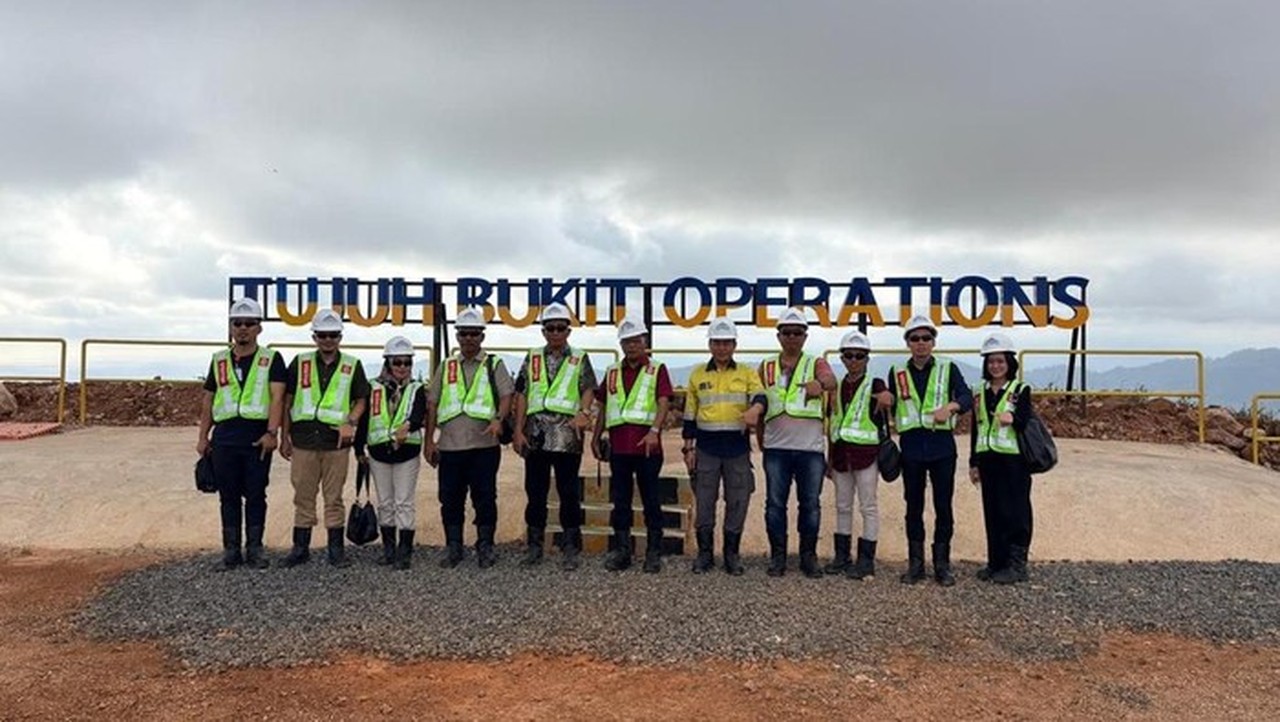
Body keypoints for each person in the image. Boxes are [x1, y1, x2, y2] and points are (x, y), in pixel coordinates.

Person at [877, 315, 973, 586]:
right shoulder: (896, 372)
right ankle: (916, 565)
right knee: (913, 506)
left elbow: (966, 397)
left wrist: (951, 407)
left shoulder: (947, 367)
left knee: (943, 506)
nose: (921, 343)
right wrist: (886, 400)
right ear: (907, 343)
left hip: (941, 446)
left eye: (926, 338)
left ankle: (942, 565)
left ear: (933, 342)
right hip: (911, 448)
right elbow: (892, 404)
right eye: (915, 338)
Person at [196, 297, 287, 571]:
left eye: (249, 323)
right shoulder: (219, 360)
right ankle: (231, 551)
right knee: (228, 495)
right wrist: (203, 437)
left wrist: (273, 433)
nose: (243, 328)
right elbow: (208, 400)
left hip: (256, 437)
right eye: (238, 323)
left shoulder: (271, 359)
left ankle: (255, 550)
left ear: (259, 328)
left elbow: (277, 397)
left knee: (256, 494)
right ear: (231, 327)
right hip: (225, 437)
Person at [279, 308, 370, 568]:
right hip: (304, 441)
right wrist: (285, 437)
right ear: (314, 337)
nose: (328, 340)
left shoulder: (352, 365)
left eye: (333, 335)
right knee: (303, 497)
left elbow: (361, 399)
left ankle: (336, 550)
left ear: (340, 337)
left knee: (334, 498)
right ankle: (300, 548)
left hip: (335, 444)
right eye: (323, 335)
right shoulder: (300, 363)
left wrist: (350, 421)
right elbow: (288, 402)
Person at [424, 306, 513, 569]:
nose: (469, 339)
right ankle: (454, 547)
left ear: (482, 336)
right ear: (457, 336)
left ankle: (485, 546)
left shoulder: (493, 364)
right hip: (450, 446)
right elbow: (432, 404)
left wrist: (498, 419)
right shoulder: (446, 366)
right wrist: (429, 441)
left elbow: (507, 395)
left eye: (474, 333)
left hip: (484, 445)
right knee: (450, 498)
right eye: (464, 334)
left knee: (485, 497)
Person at [512, 302, 598, 571]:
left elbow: (588, 388)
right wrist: (517, 429)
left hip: (567, 431)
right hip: (536, 431)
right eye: (551, 328)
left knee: (568, 491)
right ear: (544, 331)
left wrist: (584, 412)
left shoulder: (579, 358)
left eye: (561, 328)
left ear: (568, 331)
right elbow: (522, 394)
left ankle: (570, 546)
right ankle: (535, 546)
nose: (556, 332)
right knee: (535, 491)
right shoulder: (533, 356)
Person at [757, 307, 838, 578]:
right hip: (776, 448)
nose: (792, 337)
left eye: (797, 332)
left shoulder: (815, 363)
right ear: (778, 335)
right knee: (775, 505)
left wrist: (820, 383)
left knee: (810, 504)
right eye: (787, 332)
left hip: (809, 450)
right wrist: (760, 440)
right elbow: (759, 400)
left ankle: (808, 557)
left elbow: (830, 379)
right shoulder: (765, 366)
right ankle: (778, 557)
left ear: (805, 336)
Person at [681, 317, 766, 575]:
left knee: (737, 500)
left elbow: (761, 395)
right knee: (705, 502)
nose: (721, 348)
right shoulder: (697, 374)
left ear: (734, 345)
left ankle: (732, 555)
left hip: (737, 450)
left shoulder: (746, 373)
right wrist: (688, 449)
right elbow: (689, 415)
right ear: (710, 344)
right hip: (706, 449)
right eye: (717, 343)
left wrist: (755, 409)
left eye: (726, 343)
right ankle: (705, 554)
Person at [592, 317, 674, 573]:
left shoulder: (657, 369)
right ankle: (623, 551)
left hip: (648, 448)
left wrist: (654, 430)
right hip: (619, 449)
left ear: (645, 342)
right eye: (626, 341)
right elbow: (605, 406)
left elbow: (663, 402)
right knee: (621, 502)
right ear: (621, 344)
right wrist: (595, 436)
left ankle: (653, 552)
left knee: (651, 500)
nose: (632, 346)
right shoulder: (613, 372)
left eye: (636, 340)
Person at [354, 336, 427, 570]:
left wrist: (409, 427)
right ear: (388, 363)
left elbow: (418, 414)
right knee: (385, 502)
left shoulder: (416, 388)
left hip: (406, 453)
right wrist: (358, 449)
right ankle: (388, 550)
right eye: (398, 362)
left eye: (407, 362)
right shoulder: (372, 387)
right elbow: (365, 420)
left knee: (403, 502)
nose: (402, 367)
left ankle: (404, 551)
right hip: (379, 453)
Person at [969, 333, 1036, 584]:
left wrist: (1014, 419)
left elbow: (1026, 421)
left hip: (1014, 461)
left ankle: (1017, 565)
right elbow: (977, 427)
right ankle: (996, 563)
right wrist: (973, 463)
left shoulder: (1020, 390)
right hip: (988, 460)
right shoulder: (979, 392)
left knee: (1016, 513)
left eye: (1000, 361)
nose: (995, 366)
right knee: (993, 512)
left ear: (1009, 363)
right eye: (991, 362)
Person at [823, 330, 888, 580]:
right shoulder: (837, 388)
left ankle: (866, 561)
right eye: (848, 355)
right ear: (842, 358)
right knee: (842, 506)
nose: (853, 360)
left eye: (859, 356)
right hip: (841, 455)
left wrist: (886, 397)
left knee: (868, 507)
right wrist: (829, 460)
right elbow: (833, 424)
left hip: (866, 455)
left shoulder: (875, 384)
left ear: (866, 358)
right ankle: (842, 557)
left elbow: (887, 398)